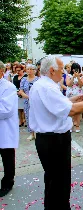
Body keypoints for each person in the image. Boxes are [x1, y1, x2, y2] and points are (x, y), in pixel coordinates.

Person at [29, 56, 83, 209]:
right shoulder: (47, 87)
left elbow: (56, 106)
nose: (63, 72)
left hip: (48, 139)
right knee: (59, 181)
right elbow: (72, 111)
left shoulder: (42, 84)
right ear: (51, 70)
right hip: (54, 140)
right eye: (61, 69)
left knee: (54, 180)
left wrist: (73, 99)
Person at [0, 61, 19, 197]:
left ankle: (8, 182)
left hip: (4, 129)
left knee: (7, 157)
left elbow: (6, 110)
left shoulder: (9, 87)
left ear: (1, 72)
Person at [18, 64, 40, 140]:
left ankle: (37, 132)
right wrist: (28, 97)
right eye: (28, 69)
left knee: (37, 116)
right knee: (28, 116)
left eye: (31, 69)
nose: (29, 71)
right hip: (27, 101)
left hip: (37, 101)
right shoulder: (23, 79)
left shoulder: (38, 79)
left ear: (35, 70)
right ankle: (31, 133)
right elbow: (21, 91)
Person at [66, 63, 83, 133]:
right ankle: (70, 125)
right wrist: (73, 77)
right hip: (70, 95)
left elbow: (81, 85)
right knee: (70, 111)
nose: (75, 70)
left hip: (78, 94)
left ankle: (77, 125)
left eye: (76, 69)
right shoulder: (68, 75)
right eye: (74, 69)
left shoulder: (81, 76)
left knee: (77, 111)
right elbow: (68, 84)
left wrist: (77, 77)